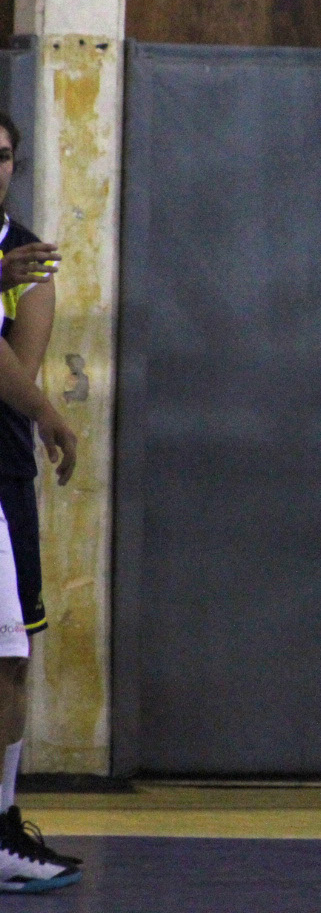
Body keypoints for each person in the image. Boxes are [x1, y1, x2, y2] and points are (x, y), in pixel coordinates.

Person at [0, 116, 80, 895]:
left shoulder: (28, 259)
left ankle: (1, 825)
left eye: (1, 156)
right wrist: (55, 416)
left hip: (1, 479)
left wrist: (43, 410)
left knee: (11, 654)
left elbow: (14, 375)